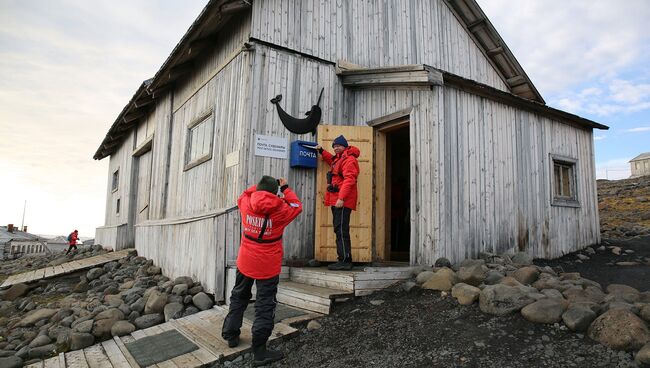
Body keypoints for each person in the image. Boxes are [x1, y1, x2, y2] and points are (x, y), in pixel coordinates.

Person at [222, 175, 302, 366]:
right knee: (265, 305)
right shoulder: (282, 210)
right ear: (275, 193)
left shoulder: (247, 203)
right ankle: (259, 351)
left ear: (258, 189)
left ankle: (231, 335)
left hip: (246, 260)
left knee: (239, 296)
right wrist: (285, 188)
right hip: (268, 264)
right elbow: (297, 206)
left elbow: (244, 194)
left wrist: (260, 189)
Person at [316, 135, 360, 271]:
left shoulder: (349, 160)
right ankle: (342, 259)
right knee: (339, 229)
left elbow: (349, 180)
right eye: (334, 146)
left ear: (345, 146)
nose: (336, 148)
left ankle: (346, 260)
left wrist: (341, 198)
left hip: (342, 201)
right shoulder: (339, 159)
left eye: (338, 146)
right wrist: (322, 151)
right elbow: (331, 160)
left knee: (341, 230)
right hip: (337, 200)